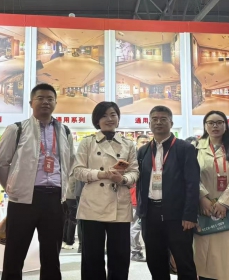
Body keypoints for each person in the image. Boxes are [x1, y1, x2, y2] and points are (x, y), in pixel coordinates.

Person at [0, 83, 74, 280]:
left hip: (55, 200)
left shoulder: (65, 131)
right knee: (14, 255)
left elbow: (70, 163)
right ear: (31, 103)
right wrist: (13, 189)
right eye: (40, 98)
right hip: (23, 201)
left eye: (50, 99)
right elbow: (1, 163)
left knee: (51, 257)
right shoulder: (16, 129)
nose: (45, 102)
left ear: (55, 103)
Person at [72, 102, 139, 280]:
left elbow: (135, 172)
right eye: (104, 116)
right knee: (92, 256)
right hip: (92, 204)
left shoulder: (128, 144)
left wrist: (123, 179)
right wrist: (102, 174)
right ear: (97, 120)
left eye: (113, 115)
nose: (109, 119)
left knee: (120, 256)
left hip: (120, 203)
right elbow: (77, 171)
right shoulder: (87, 142)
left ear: (118, 118)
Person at [136, 106, 200, 280]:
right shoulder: (143, 151)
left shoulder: (184, 148)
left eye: (163, 119)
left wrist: (190, 215)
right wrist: (141, 212)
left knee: (184, 262)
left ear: (171, 123)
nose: (158, 122)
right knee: (155, 261)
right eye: (154, 119)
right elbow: (140, 183)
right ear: (149, 123)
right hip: (150, 214)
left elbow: (192, 183)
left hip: (178, 215)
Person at [195, 111, 229, 280]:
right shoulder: (195, 148)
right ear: (205, 126)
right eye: (211, 122)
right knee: (205, 252)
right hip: (204, 207)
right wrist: (202, 197)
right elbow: (190, 176)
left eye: (219, 122)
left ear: (226, 126)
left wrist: (224, 203)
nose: (215, 126)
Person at [131, 135, 149, 262]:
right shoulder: (133, 159)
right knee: (135, 226)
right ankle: (135, 251)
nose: (145, 144)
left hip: (146, 198)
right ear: (136, 144)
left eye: (147, 142)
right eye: (142, 142)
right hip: (134, 199)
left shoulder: (149, 156)